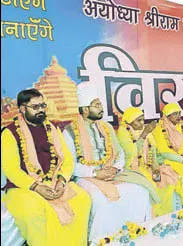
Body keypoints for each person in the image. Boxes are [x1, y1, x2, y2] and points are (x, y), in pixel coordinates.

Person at [63, 83, 155, 244]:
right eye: (97, 105)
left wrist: (114, 168)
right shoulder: (69, 131)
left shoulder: (106, 127)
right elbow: (70, 164)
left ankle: (137, 233)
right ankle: (102, 240)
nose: (101, 108)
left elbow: (119, 153)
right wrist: (94, 173)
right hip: (86, 177)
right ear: (85, 109)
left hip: (112, 172)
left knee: (140, 190)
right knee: (99, 199)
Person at [1, 89, 91, 246]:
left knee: (82, 199)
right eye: (35, 107)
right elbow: (11, 169)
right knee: (34, 210)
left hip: (54, 181)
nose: (41, 110)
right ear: (22, 109)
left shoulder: (52, 129)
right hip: (24, 187)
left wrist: (62, 181)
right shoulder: (10, 133)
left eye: (43, 105)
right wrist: (36, 187)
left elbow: (68, 160)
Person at [117, 107, 179, 216]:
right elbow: (131, 153)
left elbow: (152, 153)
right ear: (130, 121)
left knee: (166, 180)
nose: (142, 123)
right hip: (131, 169)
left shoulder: (147, 133)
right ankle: (154, 217)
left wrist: (155, 170)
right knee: (152, 185)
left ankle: (166, 215)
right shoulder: (123, 132)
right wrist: (144, 133)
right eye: (138, 120)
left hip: (147, 167)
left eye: (143, 120)